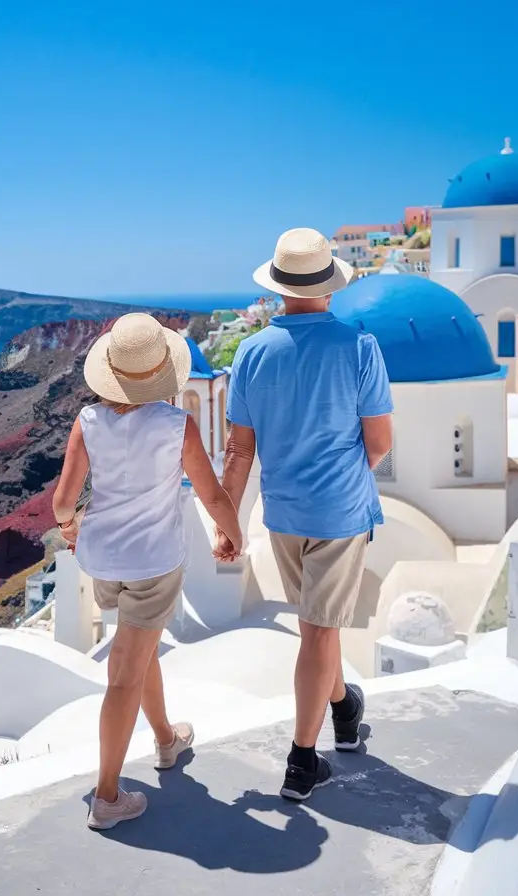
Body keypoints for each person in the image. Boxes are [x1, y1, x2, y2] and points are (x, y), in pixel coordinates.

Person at [214, 227, 394, 802]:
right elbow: (380, 443)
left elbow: (239, 450)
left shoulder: (251, 351)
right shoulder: (358, 346)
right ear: (329, 284)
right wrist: (343, 478)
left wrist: (228, 523)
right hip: (338, 512)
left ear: (279, 288)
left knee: (318, 626)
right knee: (319, 631)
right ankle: (300, 762)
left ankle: (344, 709)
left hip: (283, 514)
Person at [53, 312, 245, 830]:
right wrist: (233, 535)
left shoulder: (88, 422)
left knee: (138, 646)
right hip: (153, 565)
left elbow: (63, 501)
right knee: (123, 676)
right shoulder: (174, 424)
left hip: (103, 561)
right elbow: (210, 493)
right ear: (162, 374)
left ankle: (166, 740)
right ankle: (108, 796)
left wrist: (71, 529)